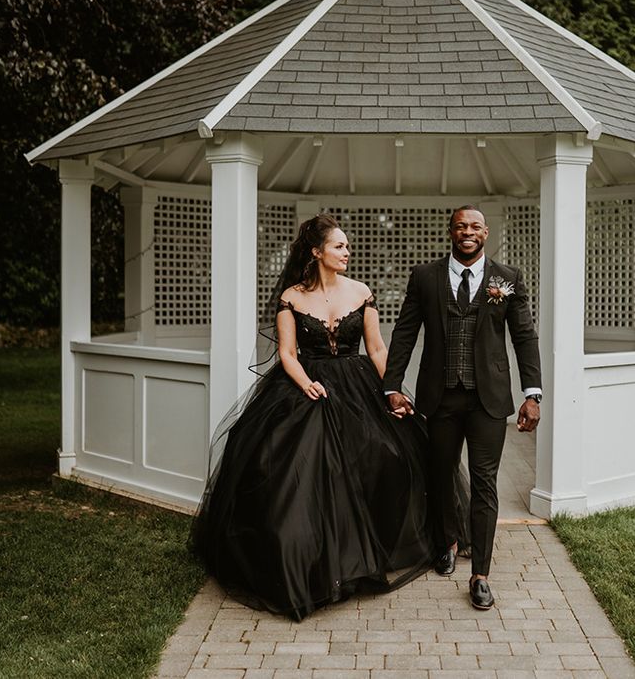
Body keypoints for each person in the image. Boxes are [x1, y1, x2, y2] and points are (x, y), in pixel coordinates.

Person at [191, 214, 466, 621]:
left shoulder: (362, 293)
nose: (347, 252)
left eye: (347, 246)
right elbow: (286, 354)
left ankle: (380, 549)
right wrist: (305, 383)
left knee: (388, 454)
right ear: (317, 252)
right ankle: (315, 565)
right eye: (339, 246)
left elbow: (376, 350)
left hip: (358, 387)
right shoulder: (291, 297)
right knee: (295, 469)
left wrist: (391, 390)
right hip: (307, 385)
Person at [383, 204, 542, 611]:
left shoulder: (507, 278)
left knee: (484, 481)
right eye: (459, 226)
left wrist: (532, 393)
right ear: (450, 232)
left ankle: (481, 575)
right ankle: (448, 542)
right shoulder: (425, 277)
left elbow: (524, 336)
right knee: (440, 474)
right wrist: (391, 386)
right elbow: (404, 332)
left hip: (488, 399)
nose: (467, 232)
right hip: (440, 396)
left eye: (474, 226)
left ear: (485, 233)